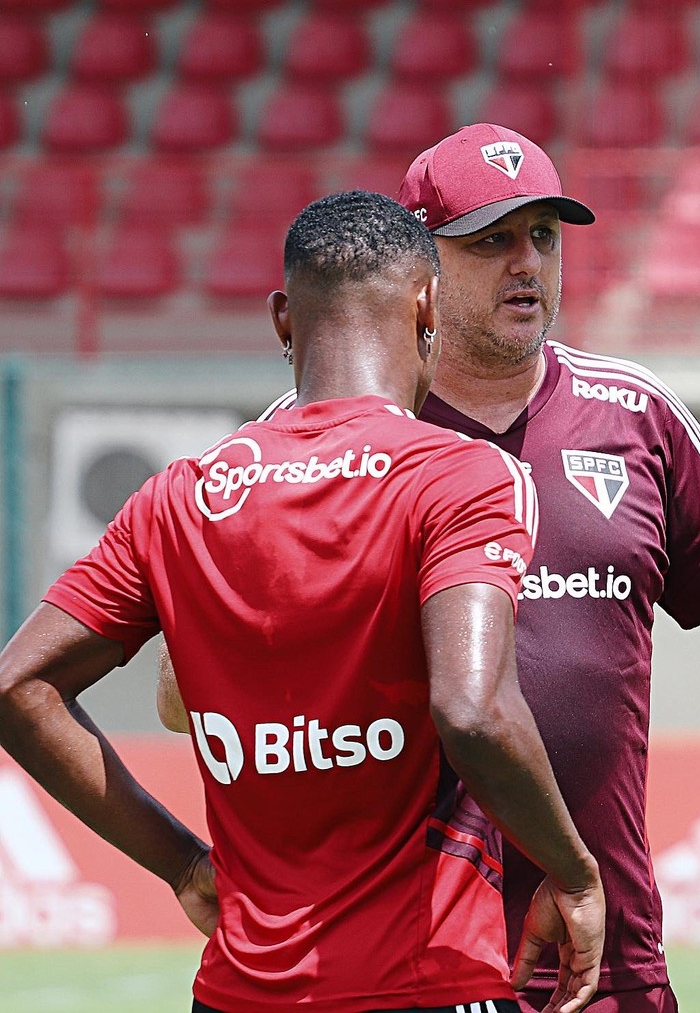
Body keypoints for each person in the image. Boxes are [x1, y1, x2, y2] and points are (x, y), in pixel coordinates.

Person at [161, 128, 700, 1013]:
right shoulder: (308, 436)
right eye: (491, 240)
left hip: (599, 953)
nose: (528, 264)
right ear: (419, 272)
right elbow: (186, 697)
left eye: (544, 238)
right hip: (388, 964)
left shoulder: (636, 416)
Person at [0, 190, 606, 1013]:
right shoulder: (459, 476)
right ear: (428, 303)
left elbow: (19, 689)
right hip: (423, 985)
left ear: (285, 320)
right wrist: (574, 873)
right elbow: (473, 711)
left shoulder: (181, 494)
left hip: (239, 992)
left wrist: (183, 863)